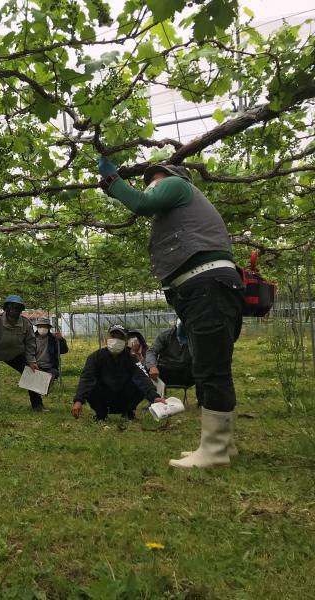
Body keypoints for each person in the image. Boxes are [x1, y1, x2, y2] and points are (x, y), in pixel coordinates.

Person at [99, 158, 243, 468]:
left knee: (210, 370)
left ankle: (215, 451)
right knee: (212, 367)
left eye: (157, 178)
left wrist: (113, 182)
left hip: (207, 287)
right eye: (149, 180)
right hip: (203, 290)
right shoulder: (179, 212)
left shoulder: (178, 185)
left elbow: (138, 203)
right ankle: (224, 446)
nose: (153, 183)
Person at [71, 325, 164, 421]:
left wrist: (154, 397)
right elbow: (87, 378)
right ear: (107, 339)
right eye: (113, 337)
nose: (116, 340)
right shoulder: (95, 357)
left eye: (120, 338)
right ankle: (101, 414)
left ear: (126, 341)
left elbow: (142, 378)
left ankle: (129, 412)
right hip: (103, 398)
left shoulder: (132, 359)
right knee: (91, 386)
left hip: (124, 399)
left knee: (140, 383)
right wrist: (78, 400)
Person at [146, 320, 194, 389]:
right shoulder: (164, 336)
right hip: (165, 371)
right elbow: (151, 351)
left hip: (185, 372)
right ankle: (156, 397)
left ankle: (203, 398)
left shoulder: (194, 337)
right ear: (176, 328)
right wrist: (152, 366)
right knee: (146, 368)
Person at [34, 316, 68, 385]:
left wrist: (61, 340)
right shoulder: (31, 338)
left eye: (45, 326)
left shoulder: (53, 339)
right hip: (35, 366)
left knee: (54, 373)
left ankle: (46, 381)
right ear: (37, 327)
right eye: (40, 326)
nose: (43, 328)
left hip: (49, 367)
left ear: (49, 328)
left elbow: (63, 350)